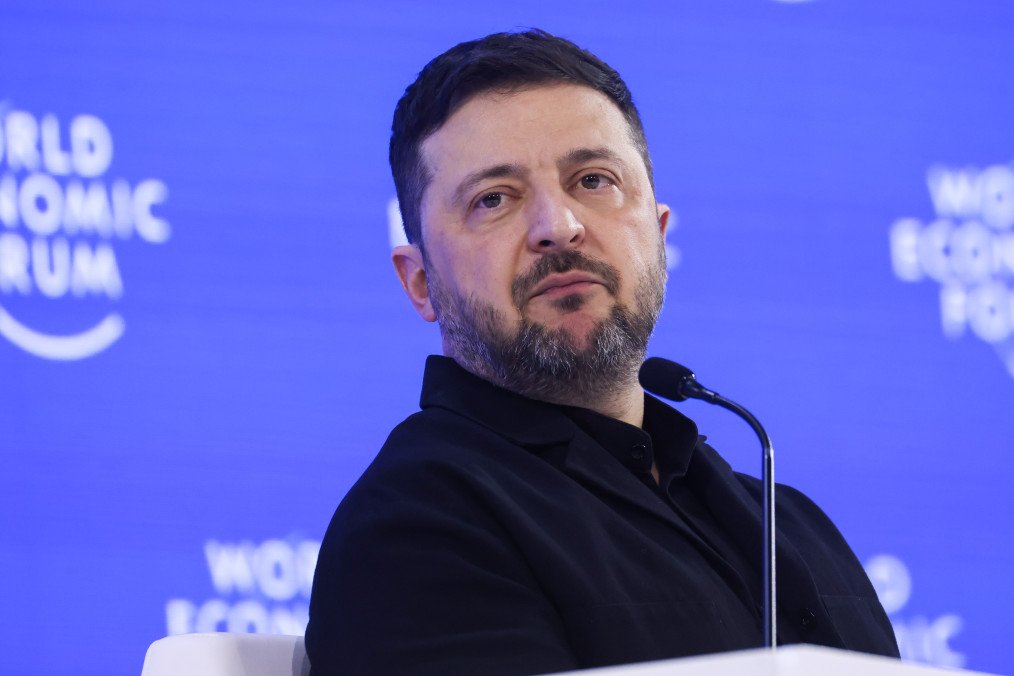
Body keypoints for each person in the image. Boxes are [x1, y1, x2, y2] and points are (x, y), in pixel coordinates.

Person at [306, 29, 899, 675]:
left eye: (593, 179)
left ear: (659, 234)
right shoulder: (416, 526)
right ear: (420, 283)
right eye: (494, 199)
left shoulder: (793, 523)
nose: (558, 227)